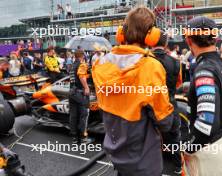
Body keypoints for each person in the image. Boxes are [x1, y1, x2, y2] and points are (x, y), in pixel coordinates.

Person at [92, 7, 178, 176]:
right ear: (151, 35)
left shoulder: (100, 64)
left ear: (121, 34)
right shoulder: (151, 67)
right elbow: (165, 122)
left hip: (116, 154)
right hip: (144, 162)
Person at [184, 16, 222, 176]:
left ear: (188, 40)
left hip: (207, 149)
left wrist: (188, 148)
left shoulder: (204, 70)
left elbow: (206, 121)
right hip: (221, 140)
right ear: (216, 38)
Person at [152, 31, 182, 175]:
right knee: (175, 137)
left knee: (151, 137)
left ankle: (154, 167)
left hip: (151, 105)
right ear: (165, 44)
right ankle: (178, 167)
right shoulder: (176, 62)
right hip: (170, 103)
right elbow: (178, 83)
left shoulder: (145, 61)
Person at [69, 49, 93, 144]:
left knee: (73, 116)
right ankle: (84, 138)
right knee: (84, 115)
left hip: (72, 93)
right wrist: (86, 87)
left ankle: (74, 138)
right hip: (80, 93)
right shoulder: (82, 64)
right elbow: (81, 76)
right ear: (82, 56)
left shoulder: (72, 65)